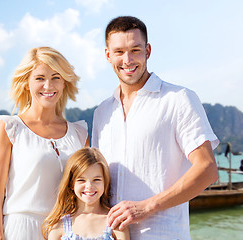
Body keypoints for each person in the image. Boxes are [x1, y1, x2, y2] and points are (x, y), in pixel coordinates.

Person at [91, 16, 219, 239]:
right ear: (107, 55)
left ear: (148, 51)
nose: (127, 60)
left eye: (135, 50)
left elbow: (207, 169)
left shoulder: (179, 99)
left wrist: (146, 206)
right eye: (119, 51)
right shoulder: (102, 112)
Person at [0, 46, 89, 240]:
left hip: (67, 230)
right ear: (26, 83)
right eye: (40, 78)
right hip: (21, 230)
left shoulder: (80, 133)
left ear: (65, 82)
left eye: (56, 77)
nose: (48, 86)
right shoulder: (9, 129)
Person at [43, 147, 129, 240]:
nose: (89, 186)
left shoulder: (116, 222)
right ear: (71, 184)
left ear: (105, 182)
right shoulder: (58, 226)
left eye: (96, 180)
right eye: (81, 180)